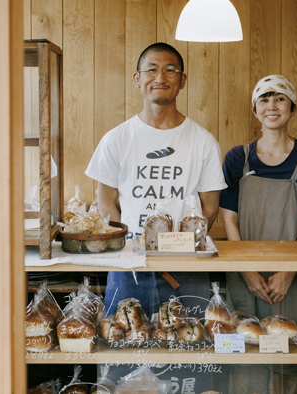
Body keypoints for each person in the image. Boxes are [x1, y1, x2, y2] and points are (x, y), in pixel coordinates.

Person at [85, 43, 227, 319]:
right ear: (138, 79)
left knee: (190, 352)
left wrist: (182, 246)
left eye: (170, 70)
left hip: (187, 270)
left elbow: (210, 209)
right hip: (129, 267)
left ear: (182, 80)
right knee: (124, 349)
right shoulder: (116, 139)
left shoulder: (203, 141)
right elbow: (106, 206)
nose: (160, 78)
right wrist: (130, 247)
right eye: (151, 69)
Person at [220, 75, 297, 394]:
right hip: (245, 275)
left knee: (291, 357)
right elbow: (229, 219)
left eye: (280, 99)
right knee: (245, 354)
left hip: (293, 275)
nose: (272, 105)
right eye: (264, 99)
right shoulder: (237, 158)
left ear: (292, 109)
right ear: (255, 109)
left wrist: (289, 270)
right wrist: (246, 270)